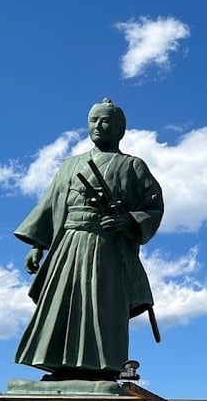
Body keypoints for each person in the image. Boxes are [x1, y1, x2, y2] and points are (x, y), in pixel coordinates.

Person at [14, 98, 163, 380]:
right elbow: (50, 204)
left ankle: (102, 368)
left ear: (119, 129)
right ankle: (60, 366)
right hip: (68, 244)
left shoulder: (133, 166)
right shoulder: (70, 165)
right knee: (62, 303)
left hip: (106, 246)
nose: (98, 126)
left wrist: (129, 220)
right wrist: (38, 245)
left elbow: (152, 206)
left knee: (102, 304)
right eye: (93, 120)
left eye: (105, 121)